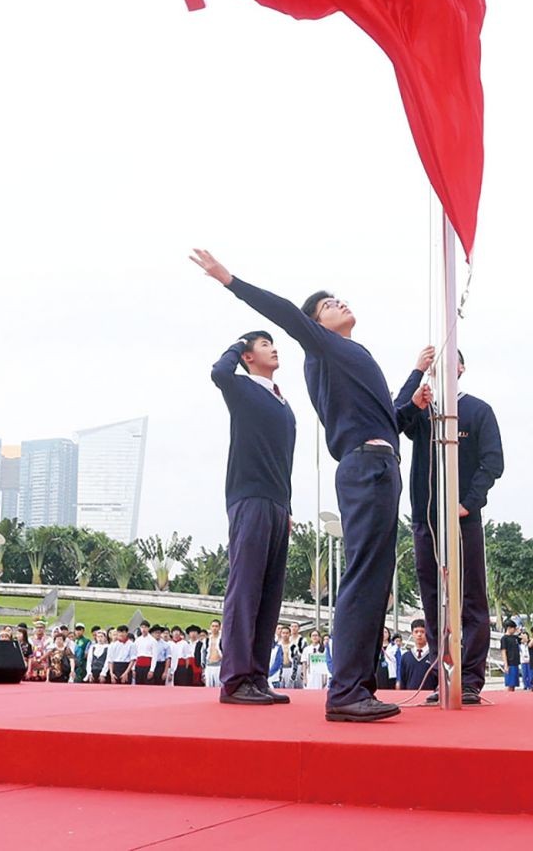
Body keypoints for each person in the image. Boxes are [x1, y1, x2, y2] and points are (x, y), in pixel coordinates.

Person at [193, 249, 426, 723]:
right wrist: (230, 280)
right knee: (361, 576)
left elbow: (391, 420)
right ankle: (342, 691)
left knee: (375, 580)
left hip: (382, 464)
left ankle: (357, 685)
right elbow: (280, 310)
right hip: (362, 469)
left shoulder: (351, 358)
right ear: (315, 325)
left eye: (338, 299)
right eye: (327, 304)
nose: (338, 303)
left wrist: (415, 391)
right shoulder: (323, 348)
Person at [396, 349, 503, 705]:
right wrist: (416, 379)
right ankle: (443, 675)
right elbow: (395, 418)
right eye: (435, 361)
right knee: (432, 599)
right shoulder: (423, 408)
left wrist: (468, 503)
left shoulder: (477, 410)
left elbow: (493, 462)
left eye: (450, 360)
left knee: (471, 596)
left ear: (462, 367)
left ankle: (469, 679)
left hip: (462, 519)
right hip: (425, 518)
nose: (443, 367)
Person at [208, 329, 298, 706]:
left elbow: (284, 462)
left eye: (272, 343)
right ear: (247, 357)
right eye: (263, 345)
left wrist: (288, 507)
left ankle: (257, 676)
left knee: (269, 593)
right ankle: (235, 679)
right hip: (249, 499)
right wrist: (240, 341)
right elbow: (218, 373)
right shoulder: (243, 389)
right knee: (245, 589)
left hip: (278, 503)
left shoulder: (283, 404)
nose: (273, 348)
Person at [398, 620, 433, 691]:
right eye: (416, 632)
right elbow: (403, 681)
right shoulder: (405, 657)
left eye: (422, 632)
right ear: (412, 634)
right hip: (410, 696)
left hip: (430, 697)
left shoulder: (434, 656)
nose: (419, 634)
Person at [498, 622, 522, 690]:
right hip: (510, 663)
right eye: (513, 628)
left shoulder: (515, 637)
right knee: (510, 684)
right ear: (509, 628)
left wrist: (519, 632)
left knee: (514, 684)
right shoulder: (504, 638)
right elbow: (503, 651)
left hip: (516, 662)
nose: (514, 630)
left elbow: (524, 639)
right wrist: (506, 664)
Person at [204, 621, 224, 689]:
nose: (214, 628)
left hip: (219, 666)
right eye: (213, 626)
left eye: (216, 626)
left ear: (219, 627)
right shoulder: (206, 640)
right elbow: (203, 653)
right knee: (208, 686)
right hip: (209, 665)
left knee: (219, 687)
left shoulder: (223, 639)